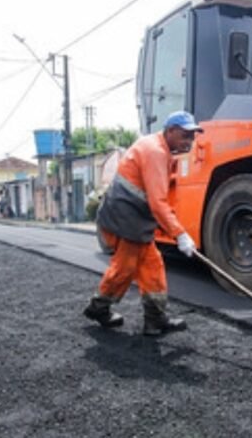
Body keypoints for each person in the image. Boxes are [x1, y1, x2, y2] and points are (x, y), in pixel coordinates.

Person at [84, 110, 201, 336]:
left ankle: (154, 319)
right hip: (125, 216)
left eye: (193, 137)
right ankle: (98, 308)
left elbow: (157, 199)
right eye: (185, 135)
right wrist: (180, 234)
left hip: (133, 216)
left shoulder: (161, 148)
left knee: (152, 265)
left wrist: (175, 229)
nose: (190, 141)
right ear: (170, 131)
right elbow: (158, 202)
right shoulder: (156, 151)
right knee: (125, 267)